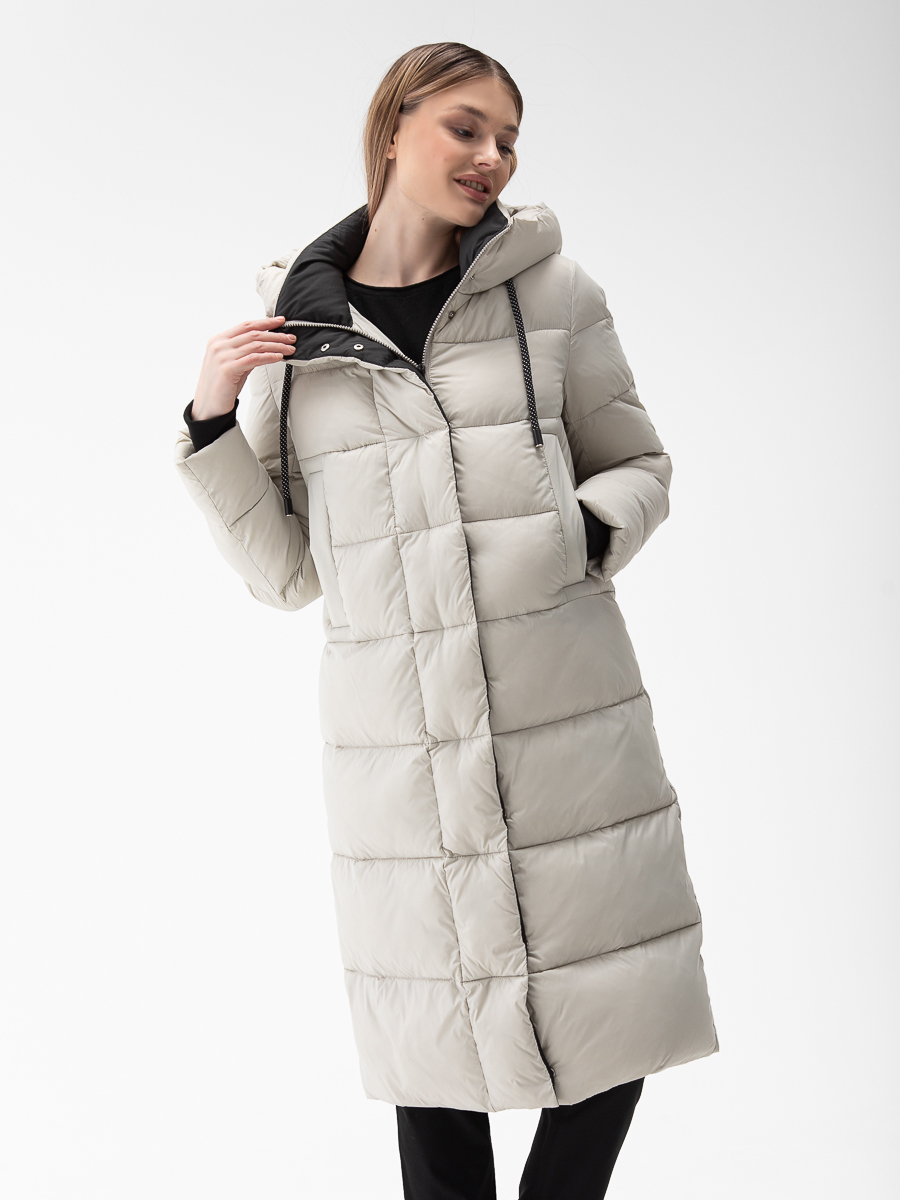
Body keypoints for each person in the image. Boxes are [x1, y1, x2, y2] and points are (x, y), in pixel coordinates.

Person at [175, 41, 718, 1200]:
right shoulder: (296, 336)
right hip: (402, 748)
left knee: (619, 999)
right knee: (433, 1053)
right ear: (394, 128)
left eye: (508, 140)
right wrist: (213, 421)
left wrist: (577, 539)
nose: (493, 157)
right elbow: (284, 575)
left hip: (567, 715)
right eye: (467, 128)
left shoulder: (554, 297)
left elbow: (640, 463)